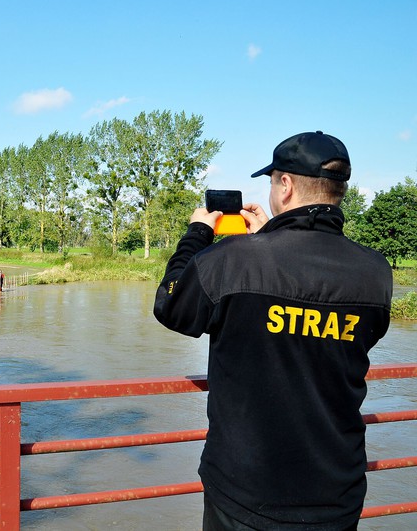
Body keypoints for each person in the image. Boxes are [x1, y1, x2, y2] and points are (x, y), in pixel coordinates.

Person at [153, 131, 392, 530]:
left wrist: (197, 233)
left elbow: (172, 306)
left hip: (246, 494)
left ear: (286, 185)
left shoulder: (233, 260)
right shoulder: (375, 272)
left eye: (271, 181)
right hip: (336, 492)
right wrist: (269, 237)